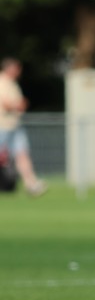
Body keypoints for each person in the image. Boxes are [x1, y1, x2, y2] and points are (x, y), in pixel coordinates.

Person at [0, 58, 46, 196]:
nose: (19, 72)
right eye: (16, 68)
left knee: (22, 154)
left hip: (15, 125)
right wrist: (18, 105)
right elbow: (7, 104)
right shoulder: (2, 82)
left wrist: (20, 104)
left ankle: (31, 184)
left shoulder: (13, 84)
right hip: (3, 125)